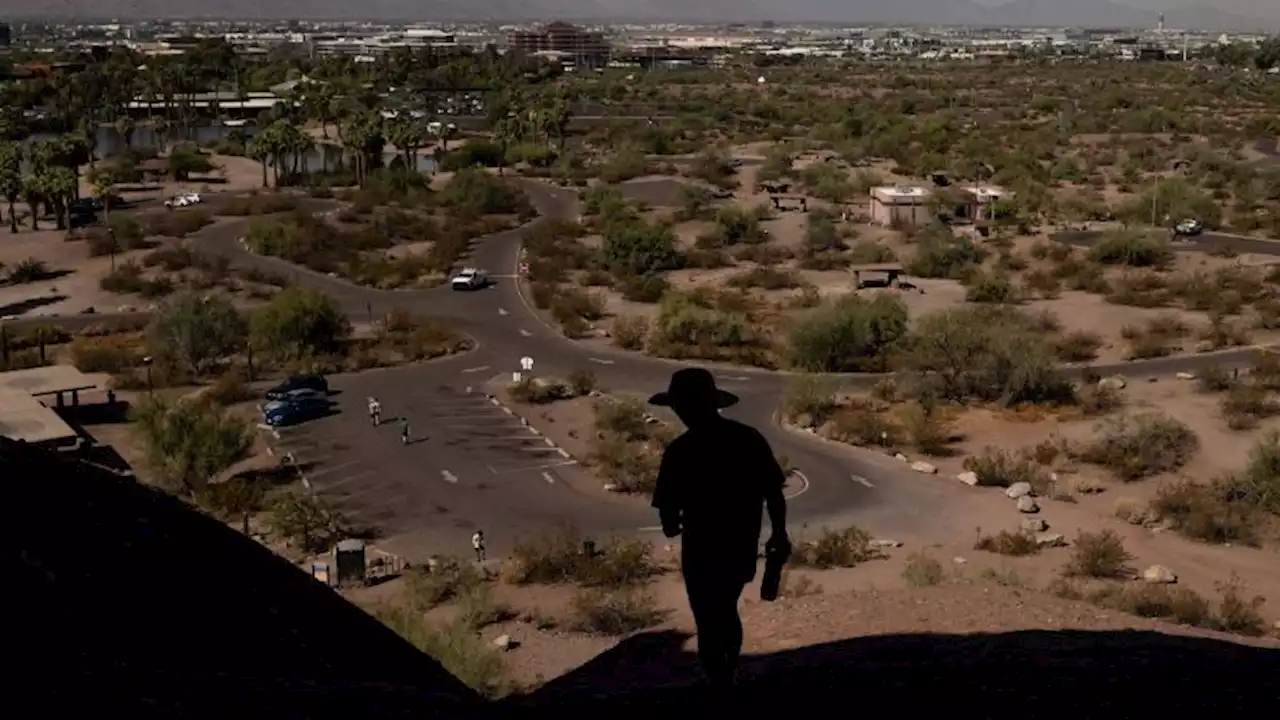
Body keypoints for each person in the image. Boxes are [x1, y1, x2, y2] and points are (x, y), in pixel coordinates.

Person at [650, 367, 790, 692]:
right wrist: (779, 533)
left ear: (681, 407)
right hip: (740, 544)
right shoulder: (748, 439)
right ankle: (727, 674)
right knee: (726, 607)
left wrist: (675, 523)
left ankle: (719, 680)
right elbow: (774, 491)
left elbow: (668, 516)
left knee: (707, 614)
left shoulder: (679, 451)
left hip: (700, 549)